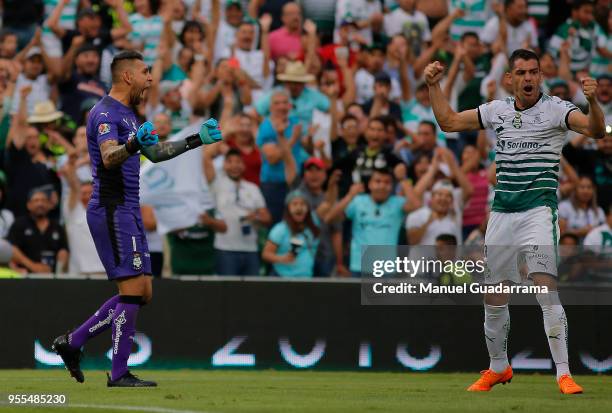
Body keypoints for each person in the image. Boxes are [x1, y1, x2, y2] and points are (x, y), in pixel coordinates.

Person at [424, 48, 605, 393]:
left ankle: (564, 373)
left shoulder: (557, 109)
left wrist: (593, 103)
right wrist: (434, 86)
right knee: (494, 295)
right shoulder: (497, 110)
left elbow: (596, 131)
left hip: (538, 210)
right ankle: (498, 367)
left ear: (540, 76)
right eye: (520, 72)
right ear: (509, 78)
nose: (527, 78)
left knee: (543, 286)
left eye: (533, 72)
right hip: (502, 213)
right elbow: (448, 122)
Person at [50, 50, 222, 388]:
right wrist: (131, 145)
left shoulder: (129, 114)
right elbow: (109, 157)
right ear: (127, 76)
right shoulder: (104, 113)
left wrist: (195, 139)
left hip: (128, 209)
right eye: (145, 72)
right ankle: (117, 372)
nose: (150, 78)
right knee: (131, 291)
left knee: (142, 292)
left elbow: (154, 154)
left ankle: (72, 342)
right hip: (112, 209)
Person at [325, 168, 419, 276]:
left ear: (392, 186)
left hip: (387, 269)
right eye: (378, 181)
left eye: (387, 182)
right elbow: (329, 218)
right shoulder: (358, 201)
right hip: (359, 266)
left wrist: (403, 179)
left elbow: (416, 205)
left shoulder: (397, 203)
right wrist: (349, 196)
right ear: (369, 184)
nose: (382, 186)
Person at [204, 146, 271, 276]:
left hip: (251, 249)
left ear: (244, 165)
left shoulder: (253, 188)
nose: (234, 166)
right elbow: (206, 156)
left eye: (238, 162)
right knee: (227, 294)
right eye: (230, 161)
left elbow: (267, 218)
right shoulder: (216, 184)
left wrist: (255, 217)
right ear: (223, 165)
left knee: (251, 293)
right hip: (225, 250)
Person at [7, 188, 68, 274]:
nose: (40, 204)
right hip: (25, 277)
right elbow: (12, 249)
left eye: (43, 200)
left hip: (52, 278)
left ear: (49, 204)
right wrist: (33, 266)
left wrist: (59, 270)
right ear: (28, 205)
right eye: (36, 200)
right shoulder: (19, 224)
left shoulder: (57, 227)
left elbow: (63, 251)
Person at [262, 190, 322, 277]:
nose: (299, 208)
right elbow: (266, 254)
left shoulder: (313, 224)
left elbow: (328, 204)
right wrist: (282, 258)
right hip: (283, 278)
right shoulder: (280, 229)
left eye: (302, 204)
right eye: (294, 204)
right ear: (288, 208)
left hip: (307, 278)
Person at [559, 176, 606, 241]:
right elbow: (560, 233)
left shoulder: (599, 211)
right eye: (582, 187)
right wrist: (579, 232)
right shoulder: (564, 206)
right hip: (570, 248)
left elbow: (604, 234)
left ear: (593, 190)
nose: (585, 191)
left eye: (589, 187)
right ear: (575, 189)